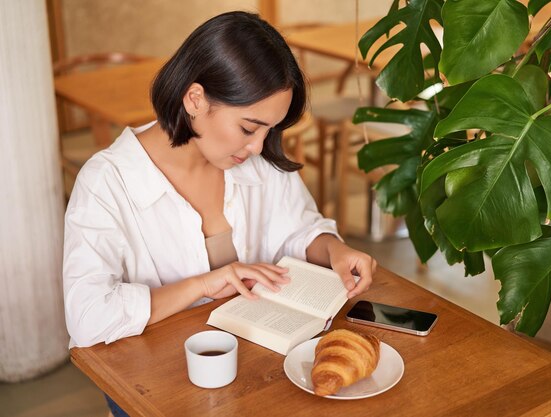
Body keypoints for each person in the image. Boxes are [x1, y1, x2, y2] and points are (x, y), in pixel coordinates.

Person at [63, 12, 376, 351]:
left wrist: (334, 249)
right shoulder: (107, 183)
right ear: (195, 99)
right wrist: (203, 285)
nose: (258, 146)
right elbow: (88, 318)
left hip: (256, 360)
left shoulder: (253, 159)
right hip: (155, 379)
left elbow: (299, 228)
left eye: (269, 130)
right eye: (248, 128)